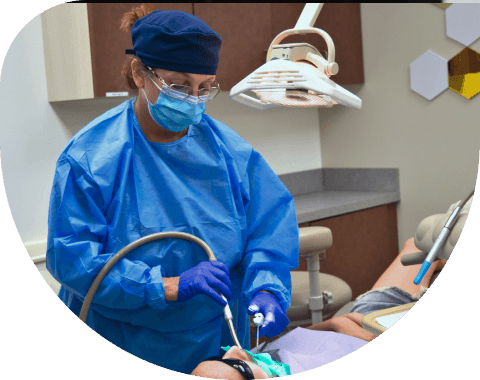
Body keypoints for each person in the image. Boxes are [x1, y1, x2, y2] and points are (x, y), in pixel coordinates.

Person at [46, 4, 298, 374]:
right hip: (122, 340)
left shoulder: (228, 152)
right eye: (179, 86)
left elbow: (268, 230)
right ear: (139, 73)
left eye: (204, 88)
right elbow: (73, 259)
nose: (193, 99)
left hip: (211, 343)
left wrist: (268, 289)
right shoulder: (90, 159)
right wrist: (168, 286)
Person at [190, 236, 448, 378]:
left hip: (358, 319)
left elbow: (305, 339)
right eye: (240, 368)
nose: (235, 350)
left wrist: (336, 323)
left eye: (218, 357)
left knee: (418, 244)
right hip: (381, 328)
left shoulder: (261, 360)